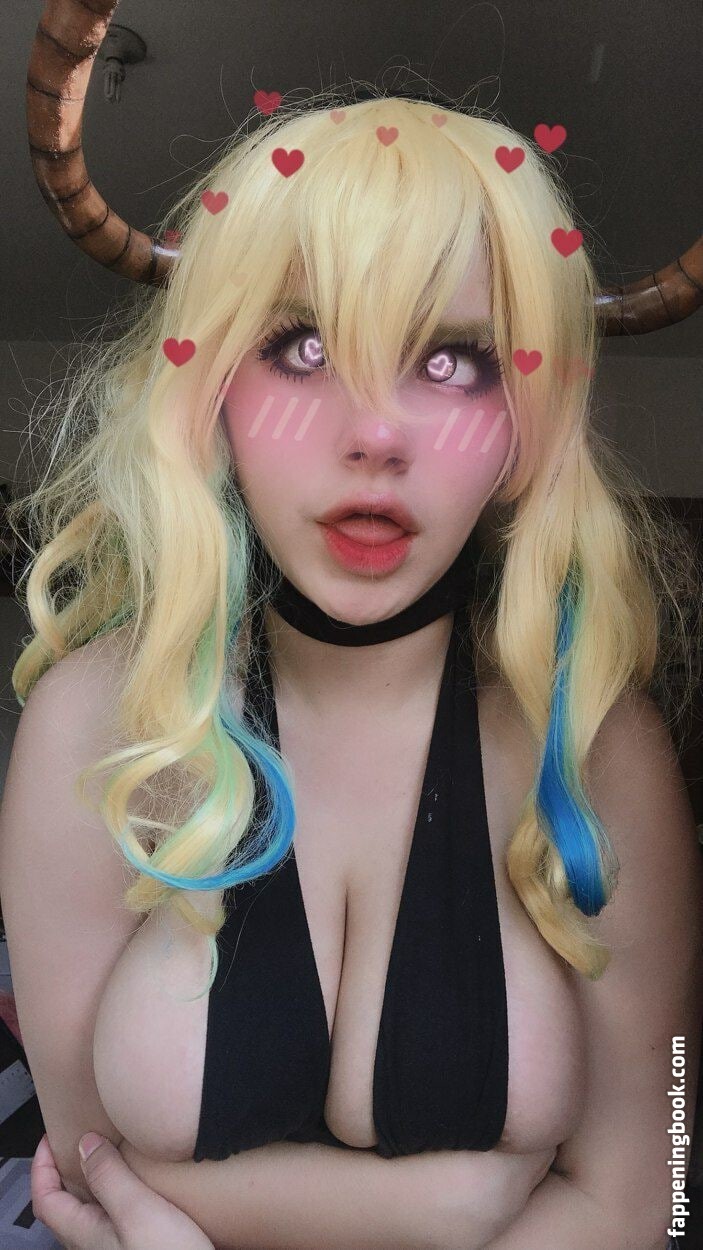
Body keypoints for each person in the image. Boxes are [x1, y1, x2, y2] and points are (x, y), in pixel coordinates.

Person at [4, 79, 703, 1250]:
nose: (375, 434)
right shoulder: (99, 725)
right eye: (305, 345)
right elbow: (84, 1173)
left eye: (455, 361)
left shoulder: (593, 742)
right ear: (209, 388)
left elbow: (662, 1185)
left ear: (529, 416)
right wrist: (455, 1207)